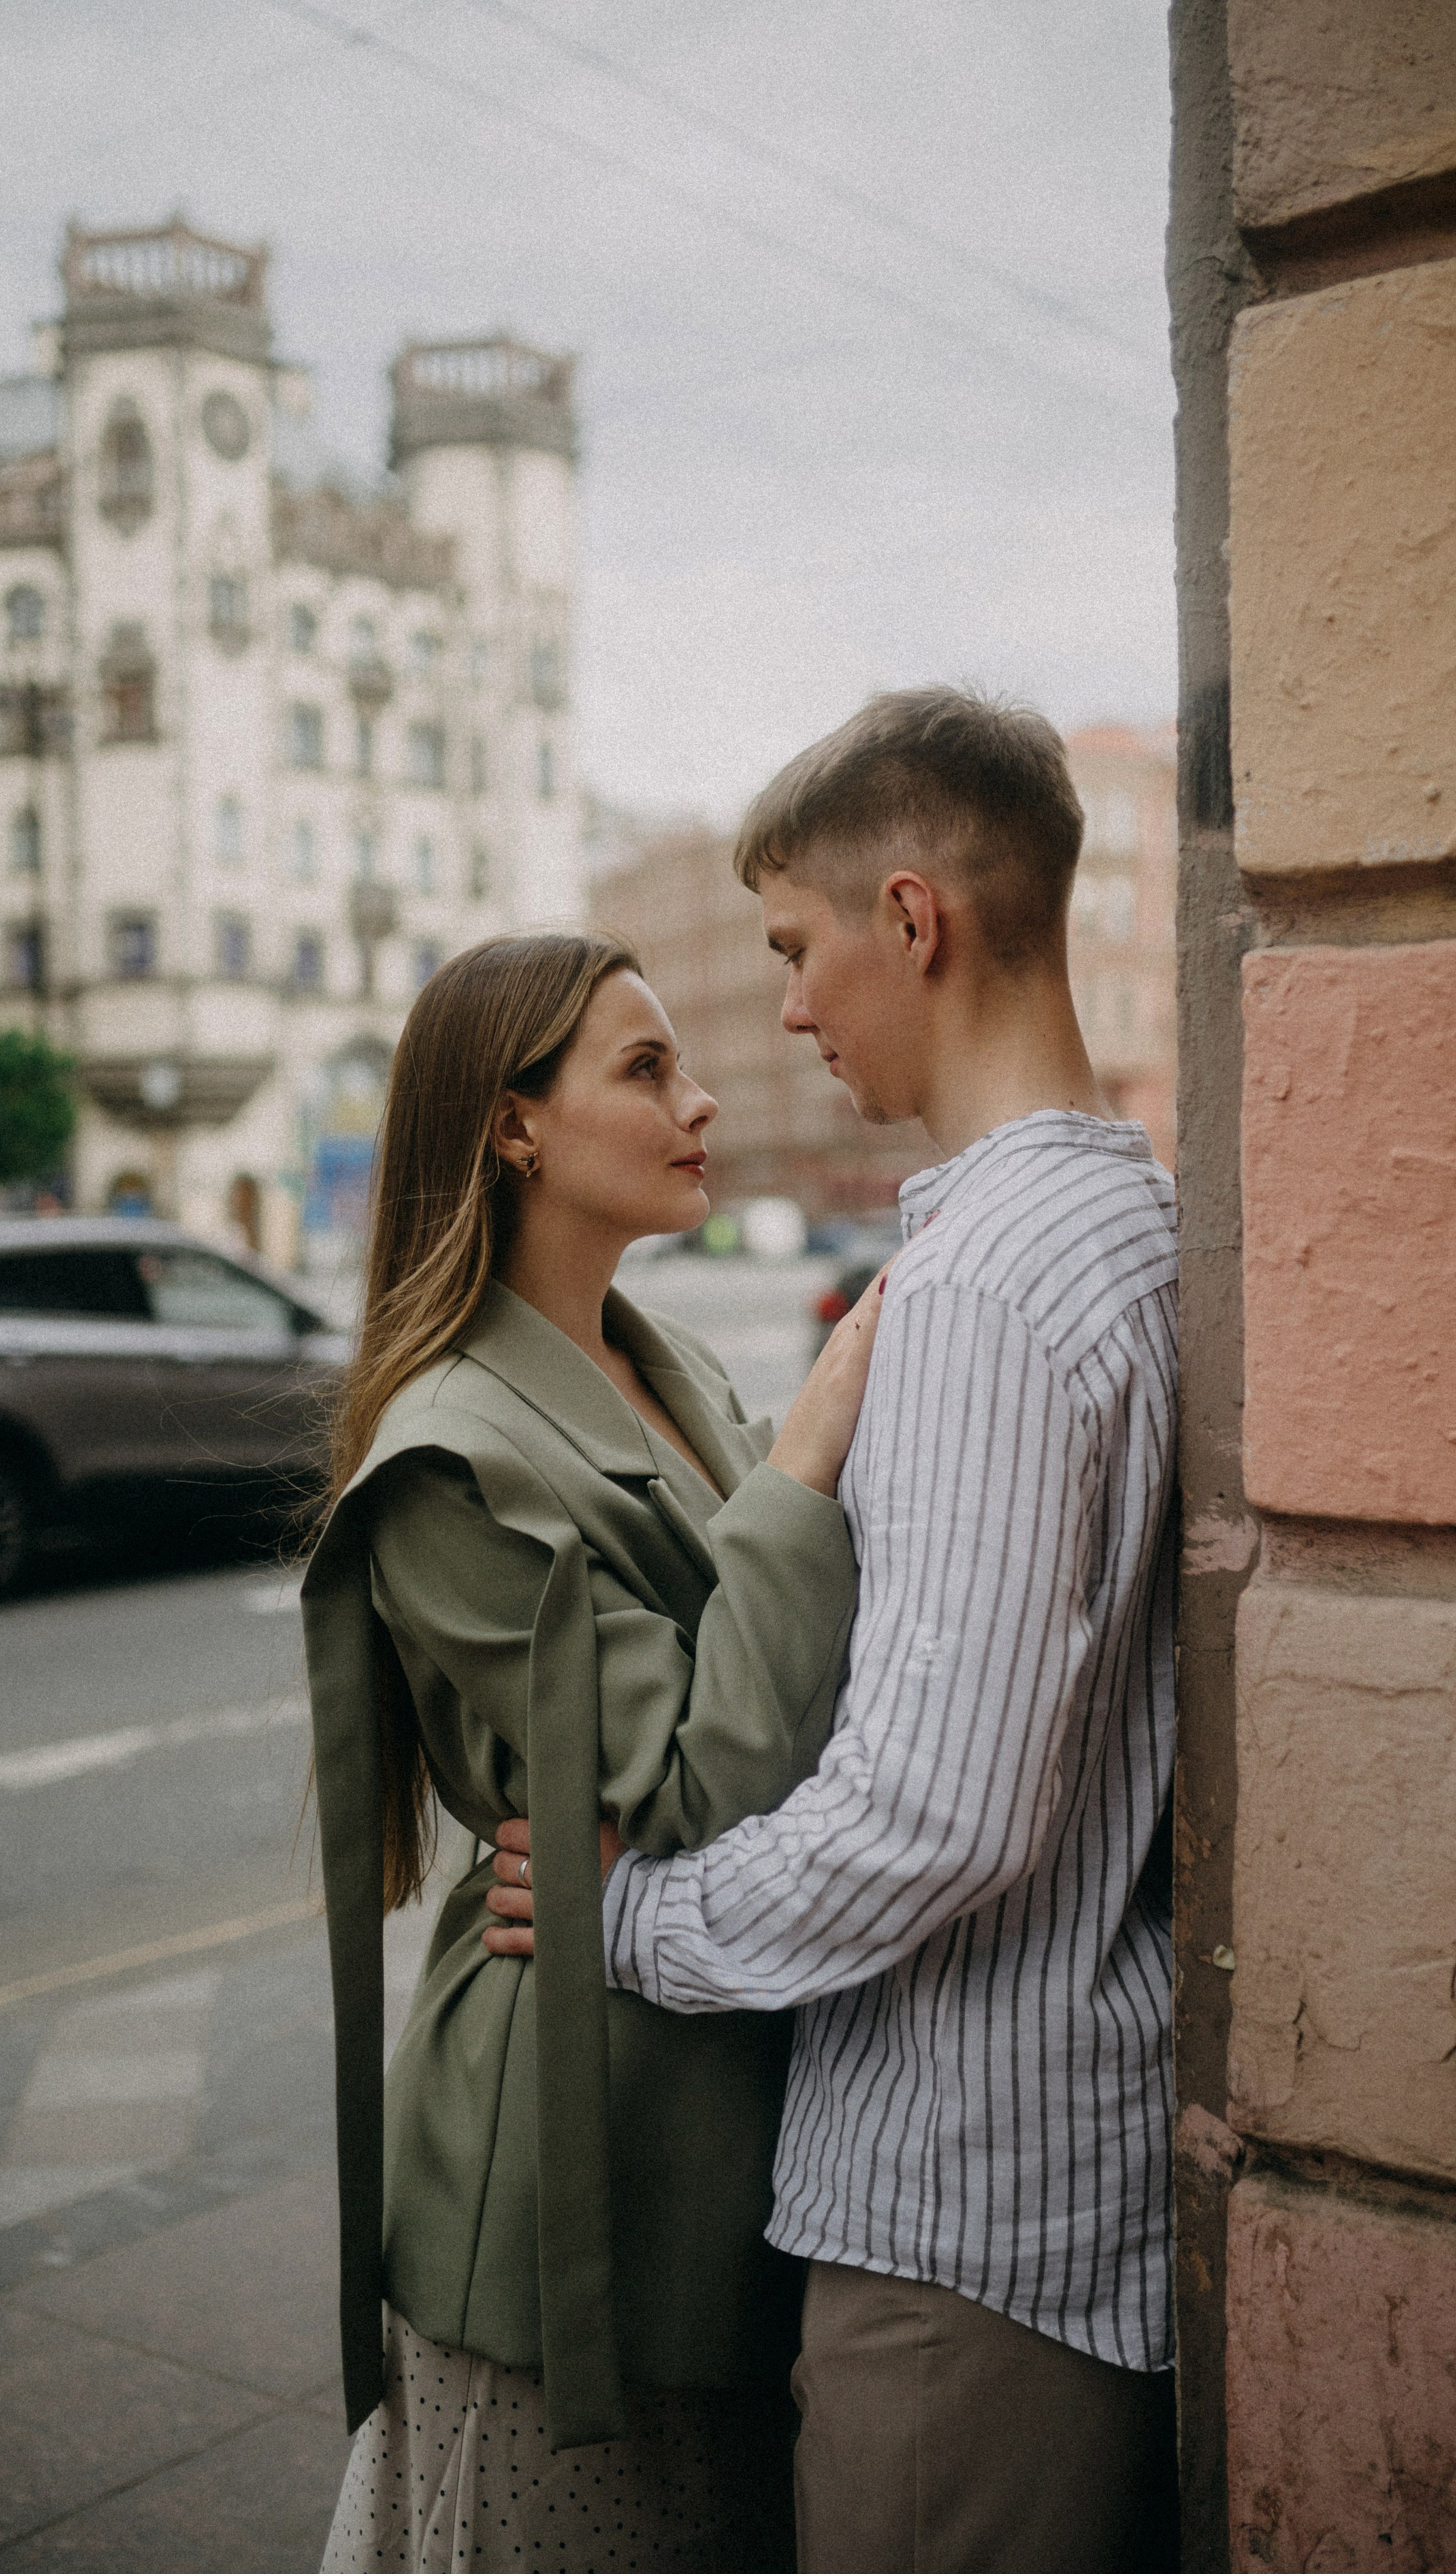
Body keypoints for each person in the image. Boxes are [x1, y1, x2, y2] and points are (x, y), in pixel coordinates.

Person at [488, 689, 1182, 2574]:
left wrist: (638, 1926)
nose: (785, 1009)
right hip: (1058, 2173)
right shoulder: (1137, 1222)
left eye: (796, 948)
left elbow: (930, 1817)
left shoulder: (980, 1290)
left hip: (964, 2222)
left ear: (912, 919)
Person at [301, 932, 886, 2573]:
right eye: (643, 1069)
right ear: (513, 1129)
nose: (698, 1100)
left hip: (710, 2107)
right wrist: (817, 1445)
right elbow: (703, 1772)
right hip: (571, 2165)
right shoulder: (444, 1460)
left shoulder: (666, 1361)